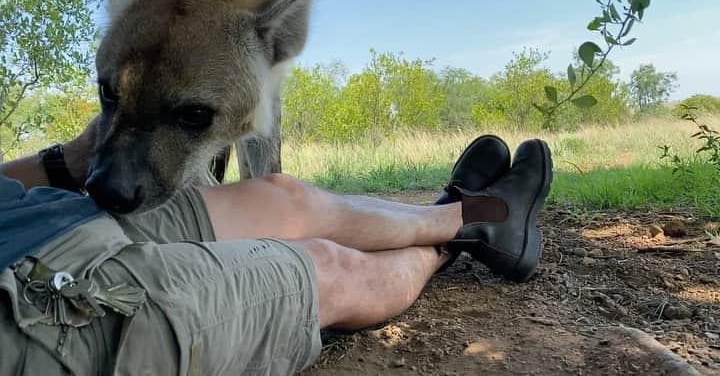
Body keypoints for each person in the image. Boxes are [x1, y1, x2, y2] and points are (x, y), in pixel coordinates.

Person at [0, 119, 552, 375]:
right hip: (26, 314)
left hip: (35, 219)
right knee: (325, 266)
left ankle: (456, 214)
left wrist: (68, 159)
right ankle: (471, 229)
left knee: (283, 197)